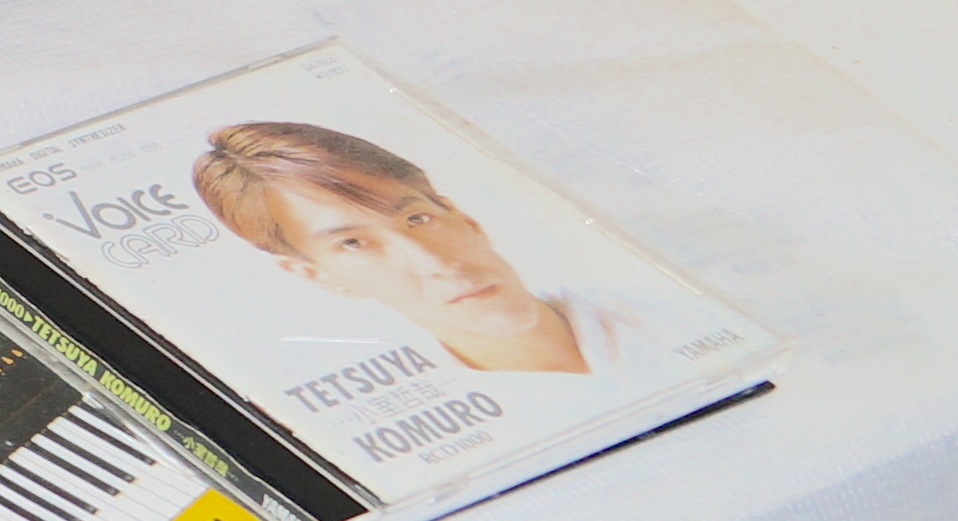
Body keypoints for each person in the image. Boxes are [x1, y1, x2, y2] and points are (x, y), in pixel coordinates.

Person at [189, 119, 657, 375]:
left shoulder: (664, 310)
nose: (435, 263)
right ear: (319, 275)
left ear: (465, 219)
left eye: (418, 219)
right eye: (354, 243)